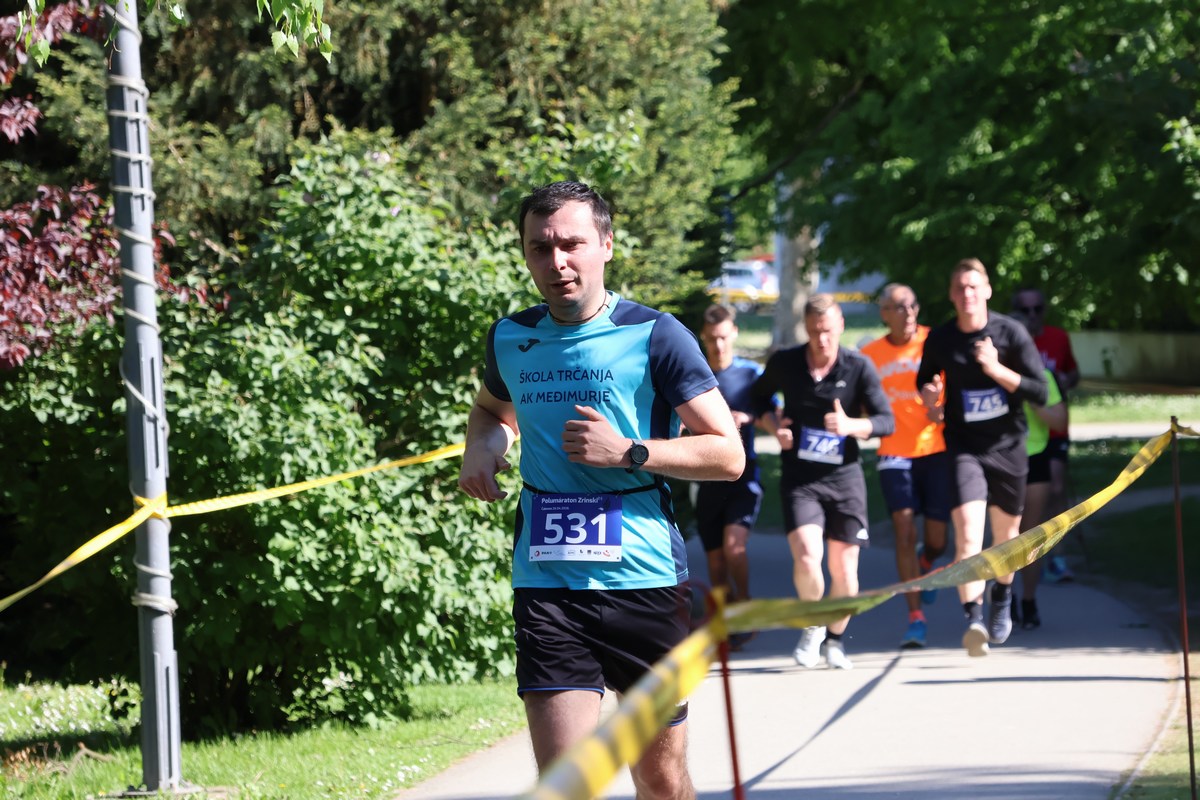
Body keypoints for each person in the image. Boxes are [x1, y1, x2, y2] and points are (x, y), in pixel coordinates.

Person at [458, 180, 745, 800]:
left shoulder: (656, 335)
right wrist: (482, 447)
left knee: (659, 779)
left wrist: (630, 452)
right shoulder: (511, 337)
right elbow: (491, 412)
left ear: (606, 245)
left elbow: (728, 454)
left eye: (572, 244)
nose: (557, 262)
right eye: (540, 248)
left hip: (643, 579)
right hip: (548, 582)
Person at [751, 294, 894, 670]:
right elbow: (757, 399)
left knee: (844, 570)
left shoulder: (858, 366)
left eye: (828, 331)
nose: (822, 340)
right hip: (801, 480)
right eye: (815, 332)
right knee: (806, 555)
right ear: (806, 329)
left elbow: (886, 421)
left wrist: (851, 425)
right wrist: (774, 426)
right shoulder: (786, 362)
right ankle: (813, 625)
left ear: (841, 325)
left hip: (844, 479)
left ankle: (834, 639)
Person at [917, 258, 1048, 657]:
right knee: (969, 536)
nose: (967, 294)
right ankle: (973, 619)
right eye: (960, 288)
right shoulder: (940, 338)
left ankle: (1002, 596)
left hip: (1007, 447)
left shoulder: (1011, 332)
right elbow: (925, 380)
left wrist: (995, 369)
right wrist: (930, 400)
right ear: (951, 295)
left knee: (1007, 538)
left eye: (974, 286)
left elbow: (1040, 391)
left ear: (987, 290)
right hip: (964, 448)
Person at [861, 283, 950, 650]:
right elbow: (861, 402)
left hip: (935, 448)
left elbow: (952, 397)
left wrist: (938, 409)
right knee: (904, 530)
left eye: (912, 305)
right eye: (899, 307)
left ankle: (926, 562)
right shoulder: (869, 355)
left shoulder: (936, 342)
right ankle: (916, 618)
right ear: (884, 313)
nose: (909, 312)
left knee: (937, 540)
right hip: (894, 452)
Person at [694, 305, 772, 649]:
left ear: (735, 333)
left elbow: (772, 413)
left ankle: (745, 605)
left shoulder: (752, 374)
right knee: (715, 560)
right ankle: (725, 620)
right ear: (703, 337)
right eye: (712, 339)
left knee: (734, 548)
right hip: (708, 480)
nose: (719, 345)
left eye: (724, 337)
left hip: (744, 476)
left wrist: (750, 419)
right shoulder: (696, 374)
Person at [1012, 287, 1079, 583]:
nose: (1032, 315)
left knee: (1055, 487)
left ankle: (1056, 556)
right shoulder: (1009, 339)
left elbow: (1073, 372)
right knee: (1019, 506)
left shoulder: (1058, 337)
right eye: (1025, 310)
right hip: (1023, 437)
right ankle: (1018, 561)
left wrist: (1062, 382)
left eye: (1037, 309)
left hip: (1053, 427)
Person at [1008, 309, 1069, 630]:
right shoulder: (989, 375)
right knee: (1003, 538)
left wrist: (1035, 401)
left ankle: (1029, 600)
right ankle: (1004, 598)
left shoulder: (1043, 376)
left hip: (1035, 459)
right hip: (1000, 462)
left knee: (1029, 537)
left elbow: (1060, 421)